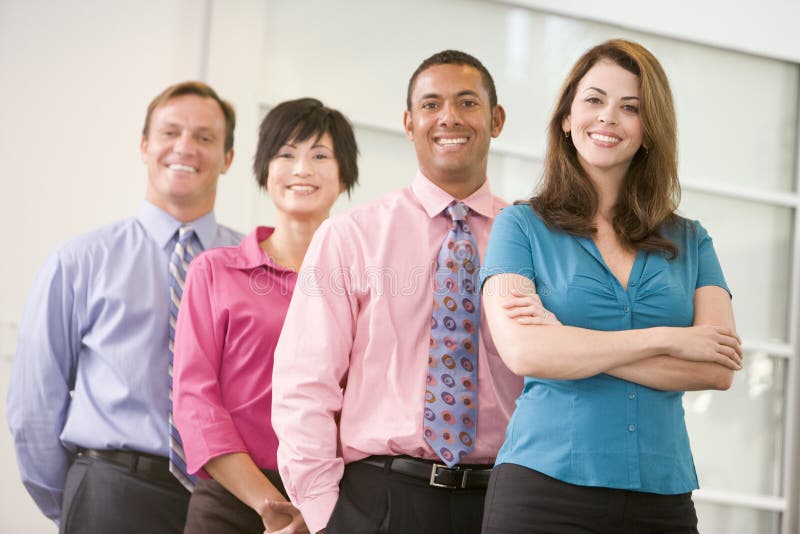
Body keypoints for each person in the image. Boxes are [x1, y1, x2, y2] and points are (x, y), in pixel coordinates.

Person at [480, 39, 742, 533]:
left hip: (661, 499)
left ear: (649, 132)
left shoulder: (691, 240)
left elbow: (716, 367)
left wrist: (570, 343)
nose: (608, 118)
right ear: (566, 117)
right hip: (542, 492)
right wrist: (670, 338)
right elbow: (525, 353)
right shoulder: (519, 227)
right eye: (594, 100)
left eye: (631, 108)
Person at [271, 50, 522, 534]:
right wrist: (326, 513)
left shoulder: (530, 241)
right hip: (380, 500)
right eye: (431, 105)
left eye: (467, 102)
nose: (448, 116)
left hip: (501, 503)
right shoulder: (351, 236)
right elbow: (304, 383)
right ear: (410, 123)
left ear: (497, 119)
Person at [7, 81, 243, 534]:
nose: (184, 147)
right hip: (111, 494)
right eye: (170, 132)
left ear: (228, 158)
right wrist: (77, 503)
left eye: (205, 137)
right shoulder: (80, 260)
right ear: (144, 146)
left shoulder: (250, 266)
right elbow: (34, 405)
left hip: (221, 505)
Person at [172, 97, 358, 534]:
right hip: (231, 501)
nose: (302, 169)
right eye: (286, 154)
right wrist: (268, 503)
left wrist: (314, 509)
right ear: (264, 170)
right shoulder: (215, 271)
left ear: (344, 173)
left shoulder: (363, 283)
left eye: (320, 156)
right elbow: (195, 401)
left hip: (332, 505)